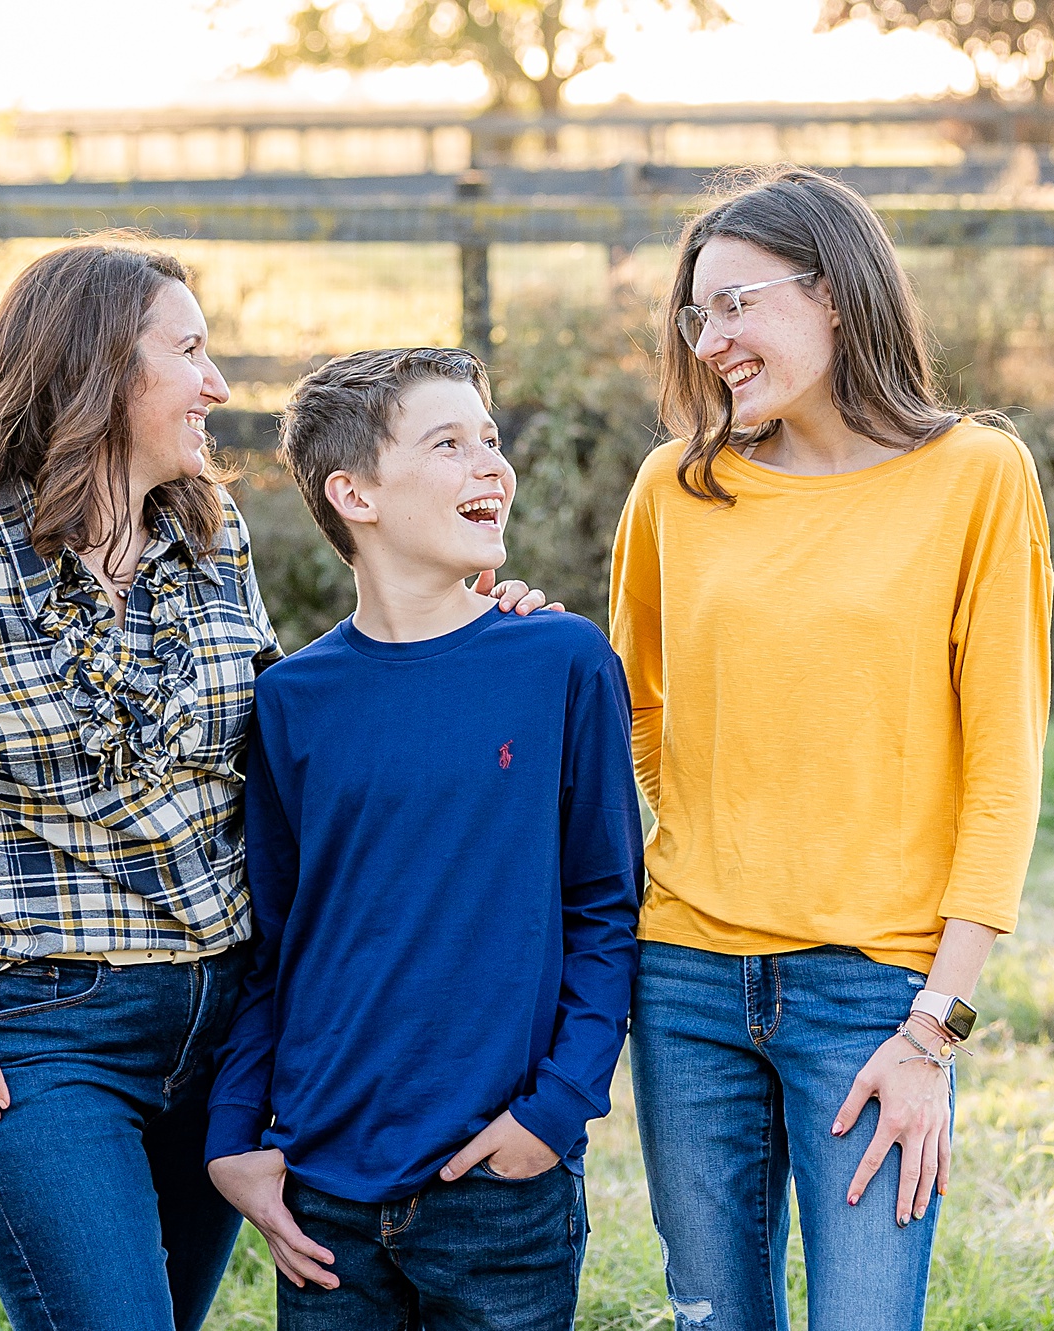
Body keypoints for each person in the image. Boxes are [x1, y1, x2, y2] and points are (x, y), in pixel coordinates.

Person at [0, 235, 549, 1331]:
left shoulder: (210, 535)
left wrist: (468, 636)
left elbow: (284, 727)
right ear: (99, 371)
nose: (217, 384)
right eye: (190, 353)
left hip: (227, 1030)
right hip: (46, 1037)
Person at [608, 168, 1053, 1331]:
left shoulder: (975, 476)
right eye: (694, 316)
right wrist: (711, 828)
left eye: (736, 303)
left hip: (871, 995)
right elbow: (635, 709)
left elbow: (1002, 768)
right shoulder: (673, 488)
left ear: (836, 293)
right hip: (685, 982)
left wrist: (932, 1028)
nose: (711, 340)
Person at [203, 347, 643, 1331]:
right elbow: (278, 940)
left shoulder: (561, 663)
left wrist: (555, 1111)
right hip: (322, 1183)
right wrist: (235, 1129)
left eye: (489, 440)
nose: (491, 464)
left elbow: (604, 906)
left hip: (497, 1179)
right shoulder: (290, 700)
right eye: (448, 443)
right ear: (352, 492)